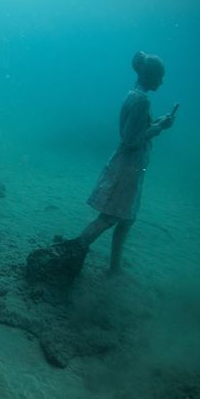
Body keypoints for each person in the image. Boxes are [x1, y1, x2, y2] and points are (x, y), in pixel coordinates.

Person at [78, 51, 177, 274]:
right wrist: (159, 128)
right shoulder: (142, 100)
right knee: (109, 217)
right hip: (128, 168)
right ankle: (75, 250)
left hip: (130, 166)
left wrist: (158, 122)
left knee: (126, 219)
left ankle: (114, 267)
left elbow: (134, 131)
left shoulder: (135, 95)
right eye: (159, 76)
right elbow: (131, 140)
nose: (162, 81)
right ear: (149, 75)